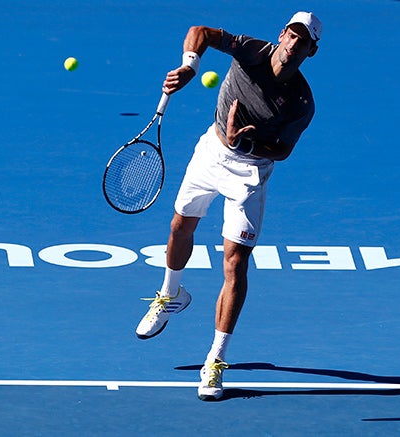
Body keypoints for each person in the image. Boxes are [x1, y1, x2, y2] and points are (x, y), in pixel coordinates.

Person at [134, 11, 322, 401]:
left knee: (235, 262)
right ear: (282, 34)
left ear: (311, 51)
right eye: (291, 34)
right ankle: (171, 295)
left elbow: (283, 151)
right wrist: (189, 67)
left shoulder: (301, 102)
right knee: (179, 227)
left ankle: (216, 360)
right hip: (211, 152)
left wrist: (246, 145)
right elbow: (199, 31)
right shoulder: (251, 51)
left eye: (302, 42)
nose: (293, 44)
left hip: (249, 174)